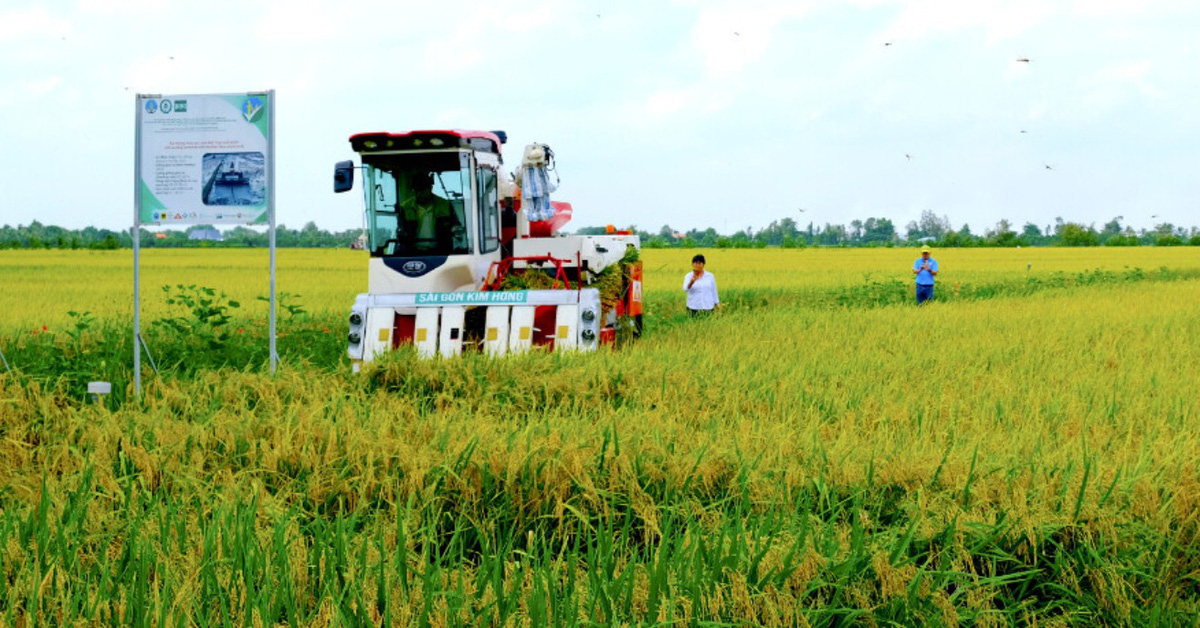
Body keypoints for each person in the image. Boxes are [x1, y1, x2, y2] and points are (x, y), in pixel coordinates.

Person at [400, 172, 457, 252]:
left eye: (422, 190)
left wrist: (454, 229)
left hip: (441, 251)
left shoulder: (445, 205)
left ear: (430, 188)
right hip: (412, 252)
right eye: (417, 190)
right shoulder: (405, 207)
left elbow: (455, 226)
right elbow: (401, 230)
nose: (420, 194)